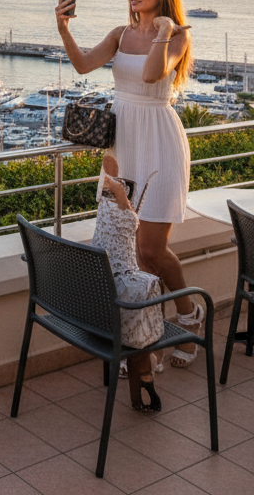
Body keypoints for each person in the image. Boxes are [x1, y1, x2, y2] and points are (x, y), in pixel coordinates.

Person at [56, 0, 201, 367]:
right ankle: (143, 343)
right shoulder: (120, 35)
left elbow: (154, 75)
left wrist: (165, 31)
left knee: (151, 251)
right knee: (124, 249)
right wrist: (64, 30)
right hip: (122, 146)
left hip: (159, 144)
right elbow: (84, 64)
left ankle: (189, 316)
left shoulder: (176, 37)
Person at [91, 153, 164, 411]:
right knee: (142, 298)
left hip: (89, 316)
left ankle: (146, 373)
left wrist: (116, 193)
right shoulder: (127, 221)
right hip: (113, 325)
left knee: (135, 296)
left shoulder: (103, 224)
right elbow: (128, 220)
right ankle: (145, 378)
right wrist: (123, 200)